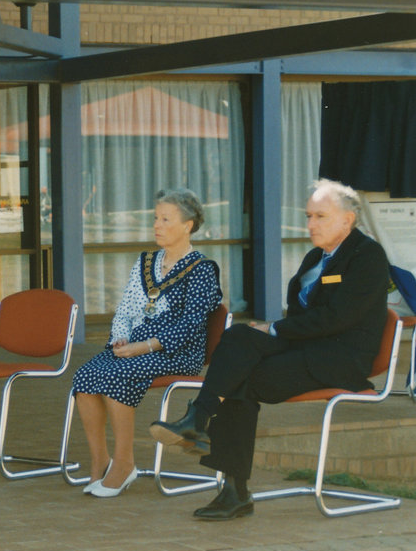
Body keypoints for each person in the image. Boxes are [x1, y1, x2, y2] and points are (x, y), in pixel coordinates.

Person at [150, 178, 388, 520]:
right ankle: (199, 424)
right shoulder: (316, 257)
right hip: (305, 347)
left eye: (320, 216)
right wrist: (269, 332)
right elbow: (306, 316)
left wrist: (274, 328)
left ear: (347, 220)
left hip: (340, 359)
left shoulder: (367, 257)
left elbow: (336, 318)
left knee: (242, 376)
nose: (310, 224)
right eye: (308, 216)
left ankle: (230, 482)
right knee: (237, 338)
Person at [73, 188, 222, 498]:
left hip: (177, 352)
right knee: (84, 377)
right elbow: (125, 310)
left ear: (188, 225)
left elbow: (190, 326)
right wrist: (120, 338)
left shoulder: (202, 270)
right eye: (156, 218)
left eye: (166, 219)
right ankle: (101, 460)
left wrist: (143, 347)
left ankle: (124, 464)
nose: (156, 225)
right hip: (134, 347)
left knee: (116, 375)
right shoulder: (146, 262)